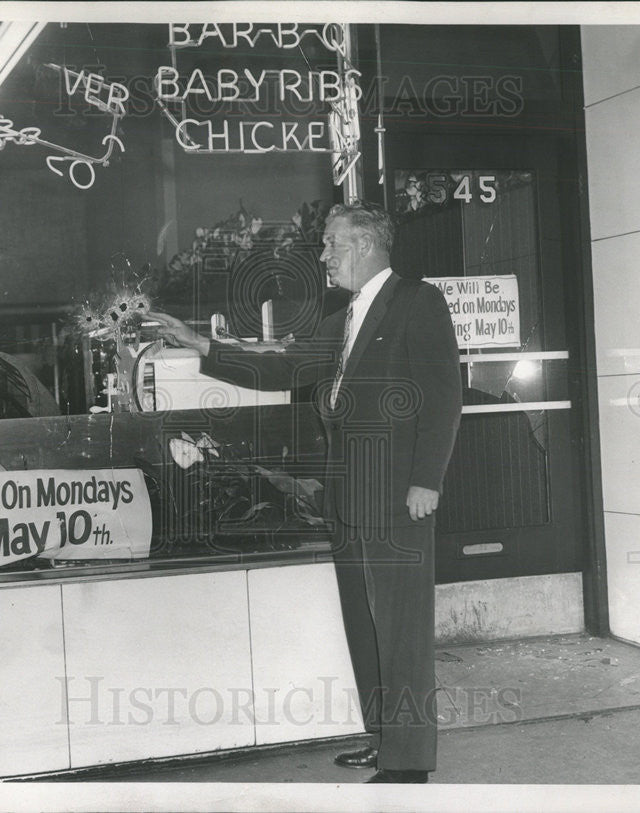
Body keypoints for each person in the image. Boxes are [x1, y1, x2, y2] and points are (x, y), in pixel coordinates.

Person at [148, 200, 462, 783]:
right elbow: (283, 369)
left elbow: (444, 397)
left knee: (401, 632)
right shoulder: (340, 320)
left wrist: (428, 480)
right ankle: (383, 738)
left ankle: (410, 763)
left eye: (332, 244)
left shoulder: (418, 302)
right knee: (365, 629)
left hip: (398, 498)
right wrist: (201, 345)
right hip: (349, 498)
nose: (323, 255)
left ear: (366, 244)